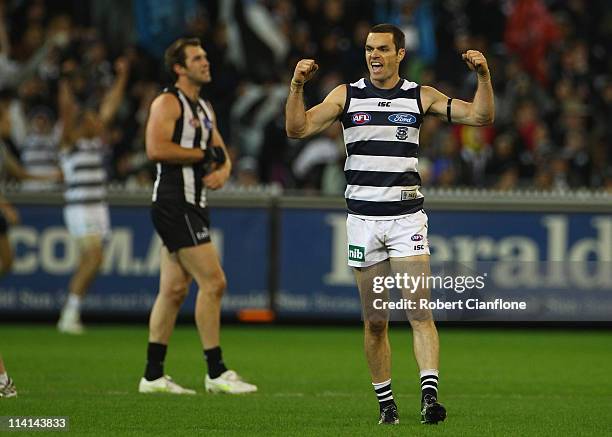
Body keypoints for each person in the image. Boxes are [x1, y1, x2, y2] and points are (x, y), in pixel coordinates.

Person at [285, 24, 494, 425]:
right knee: (376, 320)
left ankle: (429, 398)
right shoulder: (347, 95)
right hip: (363, 223)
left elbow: (481, 116)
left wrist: (483, 76)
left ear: (401, 53)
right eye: (368, 48)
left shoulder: (420, 95)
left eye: (382, 48)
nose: (374, 55)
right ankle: (386, 404)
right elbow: (297, 129)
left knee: (419, 312)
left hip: (405, 222)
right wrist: (296, 86)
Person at [138, 38, 256, 395]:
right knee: (214, 282)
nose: (206, 62)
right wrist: (203, 155)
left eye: (205, 56)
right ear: (179, 67)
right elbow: (156, 149)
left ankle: (153, 375)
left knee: (174, 290)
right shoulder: (167, 102)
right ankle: (216, 371)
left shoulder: (204, 107)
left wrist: (223, 169)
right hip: (175, 202)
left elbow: (220, 152)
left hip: (194, 202)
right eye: (197, 58)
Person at [56, 58, 130, 334]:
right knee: (94, 258)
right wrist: (64, 81)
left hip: (98, 207)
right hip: (80, 208)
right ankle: (69, 313)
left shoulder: (94, 144)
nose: (96, 121)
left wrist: (123, 76)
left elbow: (110, 107)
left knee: (92, 262)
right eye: (90, 118)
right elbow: (65, 110)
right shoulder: (68, 144)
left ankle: (72, 311)